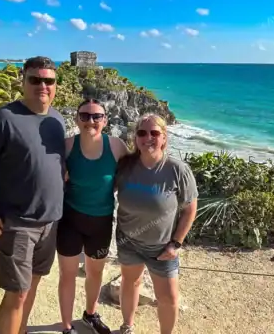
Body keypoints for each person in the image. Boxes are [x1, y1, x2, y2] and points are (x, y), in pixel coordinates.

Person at [0, 56, 66, 334]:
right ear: (23, 81)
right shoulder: (5, 118)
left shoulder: (56, 120)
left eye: (49, 80)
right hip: (18, 224)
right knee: (16, 294)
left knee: (32, 285)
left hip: (51, 222)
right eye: (35, 79)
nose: (42, 86)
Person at [115, 114, 198, 334]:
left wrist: (176, 243)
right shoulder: (125, 166)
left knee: (168, 298)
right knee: (130, 283)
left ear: (164, 137)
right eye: (142, 133)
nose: (148, 137)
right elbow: (101, 187)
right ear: (135, 138)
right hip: (128, 241)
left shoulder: (177, 169)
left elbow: (190, 208)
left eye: (154, 133)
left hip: (161, 247)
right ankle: (127, 326)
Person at [56, 98, 128, 334]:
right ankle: (67, 327)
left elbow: (131, 175)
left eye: (97, 116)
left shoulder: (116, 146)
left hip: (102, 220)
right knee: (67, 274)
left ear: (105, 120)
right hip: (70, 220)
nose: (91, 121)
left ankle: (90, 314)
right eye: (85, 116)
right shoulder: (67, 146)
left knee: (94, 272)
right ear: (77, 119)